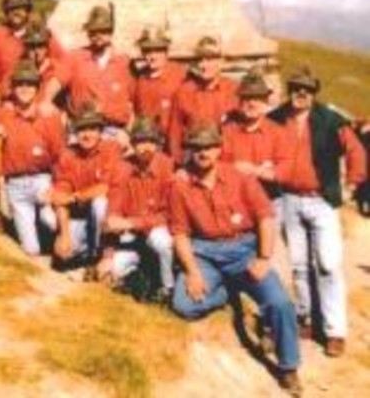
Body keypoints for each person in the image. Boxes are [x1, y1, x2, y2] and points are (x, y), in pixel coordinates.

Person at [169, 123, 302, 395]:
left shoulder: (240, 177)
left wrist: (264, 258)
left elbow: (265, 217)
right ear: (189, 152)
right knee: (184, 304)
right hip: (205, 252)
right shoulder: (181, 185)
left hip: (244, 250)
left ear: (219, 149)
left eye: (208, 147)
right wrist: (193, 272)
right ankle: (229, 292)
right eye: (196, 148)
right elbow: (180, 233)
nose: (203, 152)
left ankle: (288, 366)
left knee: (279, 303)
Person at [270, 66, 367, 356]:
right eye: (296, 88)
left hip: (321, 200)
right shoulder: (275, 119)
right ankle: (307, 319)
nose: (301, 93)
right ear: (289, 90)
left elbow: (356, 152)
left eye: (308, 89)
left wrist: (352, 183)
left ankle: (335, 331)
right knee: (299, 265)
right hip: (287, 199)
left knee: (328, 265)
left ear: (314, 93)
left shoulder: (331, 120)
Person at [0, 59, 64, 256]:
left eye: (30, 84)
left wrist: (57, 187)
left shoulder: (49, 115)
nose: (24, 88)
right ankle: (40, 266)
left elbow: (58, 154)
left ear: (38, 88)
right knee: (30, 250)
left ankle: (58, 253)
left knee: (50, 221)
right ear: (13, 88)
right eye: (20, 84)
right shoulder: (2, 115)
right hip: (14, 184)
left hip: (41, 179)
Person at [98, 115, 175, 302]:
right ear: (132, 144)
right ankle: (138, 276)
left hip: (157, 229)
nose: (146, 147)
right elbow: (113, 212)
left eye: (151, 141)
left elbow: (170, 214)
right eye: (140, 141)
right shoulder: (122, 167)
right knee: (111, 270)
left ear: (158, 144)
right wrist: (107, 256)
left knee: (162, 243)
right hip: (131, 236)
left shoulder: (168, 167)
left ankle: (167, 288)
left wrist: (132, 222)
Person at [41, 5, 134, 141]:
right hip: (81, 127)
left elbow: (132, 105)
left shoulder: (124, 63)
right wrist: (46, 100)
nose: (97, 35)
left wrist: (128, 133)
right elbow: (57, 80)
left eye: (103, 30)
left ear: (110, 32)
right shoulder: (74, 57)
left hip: (113, 130)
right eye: (93, 31)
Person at [49, 104, 123, 275]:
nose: (87, 134)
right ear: (75, 133)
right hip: (78, 216)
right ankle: (79, 253)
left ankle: (98, 254)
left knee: (100, 202)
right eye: (82, 129)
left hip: (106, 220)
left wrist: (75, 197)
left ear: (100, 132)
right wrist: (64, 235)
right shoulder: (68, 154)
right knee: (50, 219)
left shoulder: (111, 148)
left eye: (92, 129)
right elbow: (60, 195)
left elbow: (105, 186)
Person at [0, 0, 63, 109]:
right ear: (6, 10)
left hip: (39, 99)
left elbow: (63, 63)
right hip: (8, 100)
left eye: (21, 7)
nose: (16, 11)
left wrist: (46, 66)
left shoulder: (42, 34)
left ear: (28, 10)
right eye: (12, 8)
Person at [221, 70, 291, 205]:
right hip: (235, 198)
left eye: (258, 98)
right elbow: (218, 165)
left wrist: (256, 171)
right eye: (247, 98)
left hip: (269, 197)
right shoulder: (226, 131)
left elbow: (285, 170)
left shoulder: (278, 133)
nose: (252, 104)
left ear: (265, 102)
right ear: (239, 102)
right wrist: (235, 168)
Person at [167, 35, 238, 163]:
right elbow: (174, 134)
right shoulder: (183, 92)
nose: (203, 65)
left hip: (228, 161)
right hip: (194, 160)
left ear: (221, 62)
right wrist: (179, 164)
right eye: (200, 60)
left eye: (210, 59)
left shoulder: (234, 91)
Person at [130, 25, 185, 140]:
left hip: (175, 139)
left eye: (158, 51)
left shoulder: (180, 75)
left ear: (166, 52)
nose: (152, 56)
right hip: (146, 140)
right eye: (148, 51)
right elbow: (132, 110)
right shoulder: (139, 78)